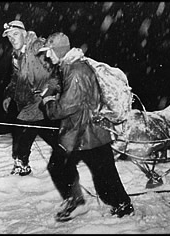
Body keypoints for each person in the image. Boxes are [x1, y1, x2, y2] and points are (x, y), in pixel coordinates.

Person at [38, 32, 134, 222]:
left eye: (49, 52)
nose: (47, 56)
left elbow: (65, 107)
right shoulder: (71, 66)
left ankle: (111, 205)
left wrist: (48, 102)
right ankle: (115, 204)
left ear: (57, 50)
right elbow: (61, 82)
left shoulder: (75, 71)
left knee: (94, 171)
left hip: (84, 132)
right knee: (102, 171)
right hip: (89, 130)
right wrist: (51, 88)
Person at [2, 20, 60, 176]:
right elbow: (16, 79)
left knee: (24, 133)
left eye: (15, 34)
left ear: (24, 33)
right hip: (26, 103)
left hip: (41, 103)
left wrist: (46, 94)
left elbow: (57, 73)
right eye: (9, 36)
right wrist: (9, 94)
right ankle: (23, 163)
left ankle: (23, 163)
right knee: (35, 134)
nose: (12, 39)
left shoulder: (37, 47)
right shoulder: (16, 55)